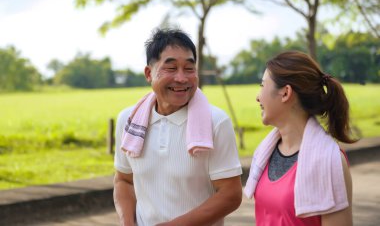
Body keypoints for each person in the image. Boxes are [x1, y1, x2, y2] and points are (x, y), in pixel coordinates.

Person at [113, 28, 242, 226]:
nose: (181, 78)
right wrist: (127, 223)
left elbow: (230, 194)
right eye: (171, 68)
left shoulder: (216, 122)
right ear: (149, 73)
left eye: (189, 69)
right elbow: (124, 180)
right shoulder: (129, 121)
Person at [244, 51, 357, 226]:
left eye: (262, 85)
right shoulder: (265, 153)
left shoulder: (329, 160)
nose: (258, 97)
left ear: (285, 93)